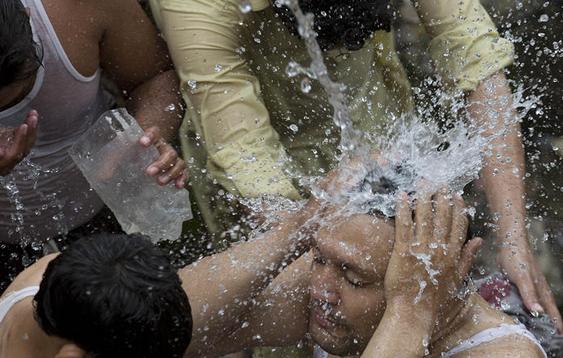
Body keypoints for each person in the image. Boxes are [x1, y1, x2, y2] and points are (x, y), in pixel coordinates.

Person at [150, 0, 561, 329]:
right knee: (304, 312)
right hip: (261, 149)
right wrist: (325, 270)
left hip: (375, 115)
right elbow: (248, 163)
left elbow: (481, 71)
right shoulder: (195, 7)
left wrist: (512, 238)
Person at [1, 187, 548, 357]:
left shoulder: (501, 355)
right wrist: (297, 229)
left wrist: (409, 307)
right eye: (319, 259)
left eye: (353, 277)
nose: (322, 290)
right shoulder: (327, 290)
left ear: (437, 277)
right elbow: (168, 328)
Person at [0, 0, 188, 290]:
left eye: (21, 90)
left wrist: (144, 138)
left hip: (100, 208)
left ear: (28, 18)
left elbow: (154, 77)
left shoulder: (76, 8)